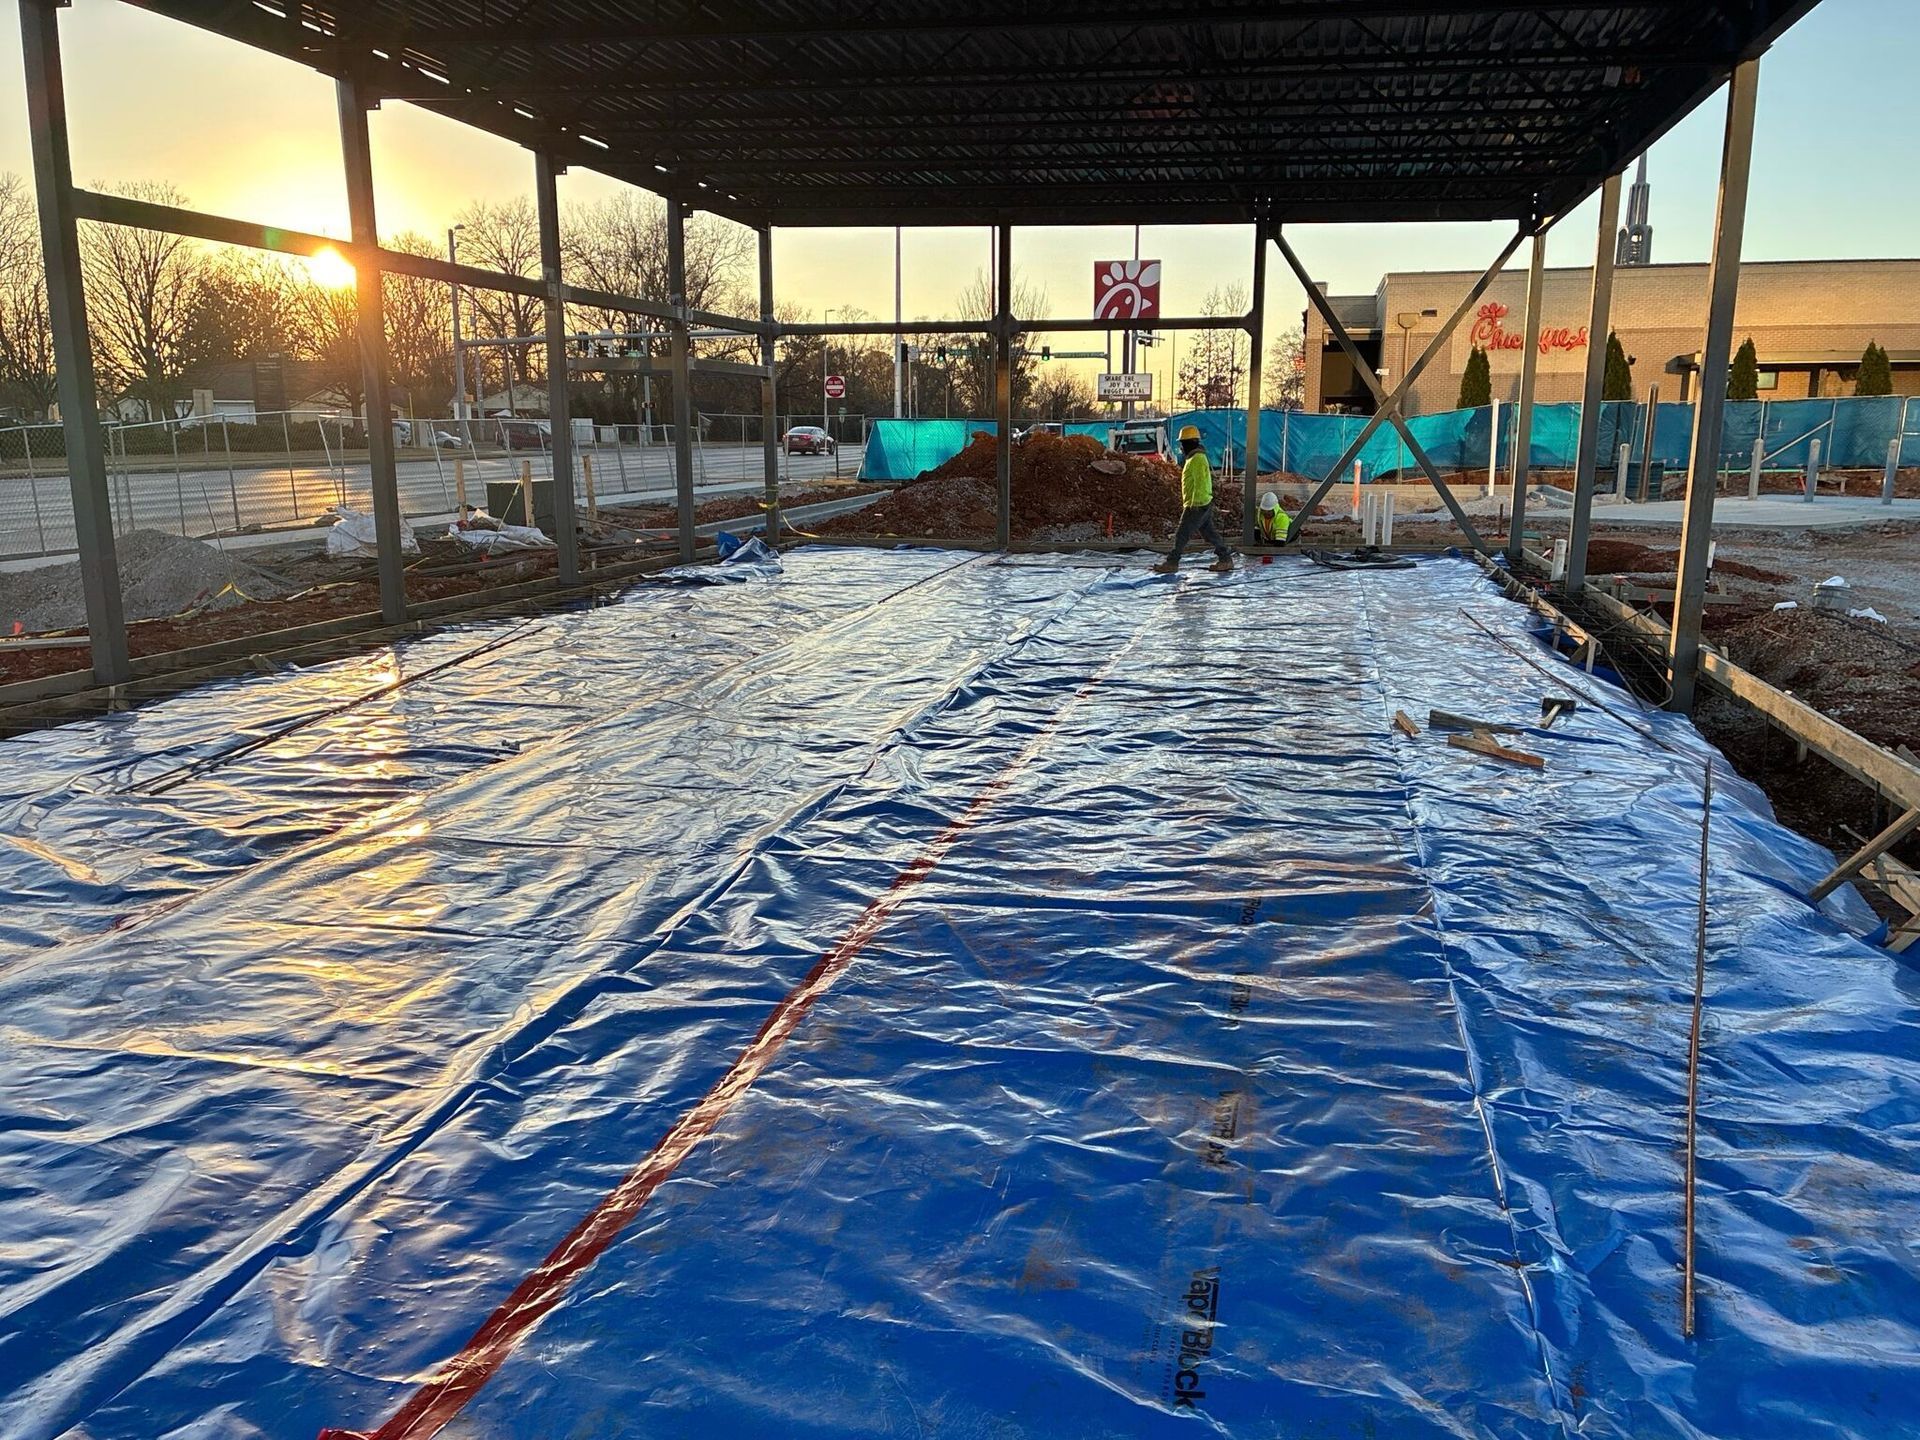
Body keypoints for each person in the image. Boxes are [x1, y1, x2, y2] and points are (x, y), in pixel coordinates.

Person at [1153, 425, 1233, 574]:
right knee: (1210, 534)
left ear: (1189, 443)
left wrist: (1193, 504)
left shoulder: (1197, 459)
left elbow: (1200, 482)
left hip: (1197, 504)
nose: (1181, 447)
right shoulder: (1195, 458)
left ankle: (1172, 562)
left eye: (1183, 443)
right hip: (1202, 503)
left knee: (1181, 535)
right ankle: (1225, 559)